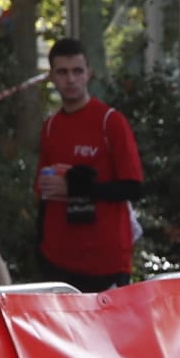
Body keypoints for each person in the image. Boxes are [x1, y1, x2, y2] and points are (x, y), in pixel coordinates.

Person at [34, 38, 143, 292]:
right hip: (58, 259)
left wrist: (77, 187)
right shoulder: (51, 126)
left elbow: (133, 187)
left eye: (77, 71)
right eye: (62, 72)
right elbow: (44, 194)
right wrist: (39, 246)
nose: (70, 80)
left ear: (89, 74)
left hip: (104, 262)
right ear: (51, 76)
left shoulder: (110, 121)